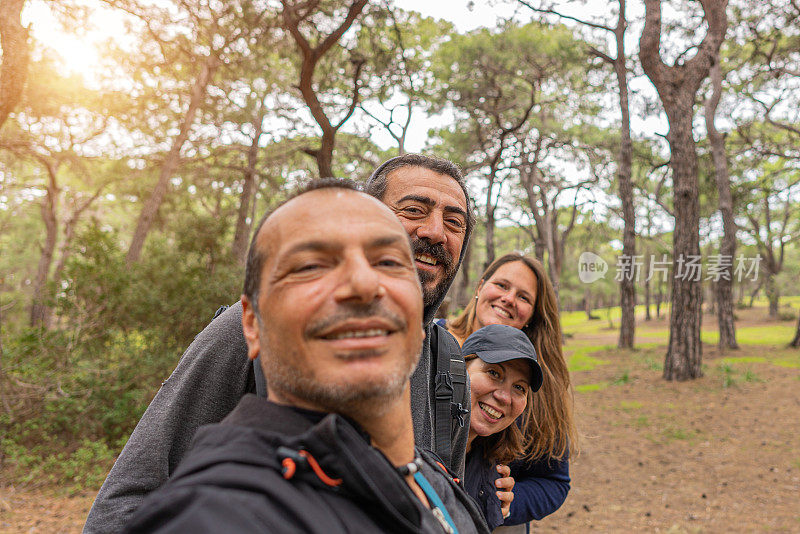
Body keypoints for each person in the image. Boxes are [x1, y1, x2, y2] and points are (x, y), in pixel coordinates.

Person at [84, 154, 485, 533]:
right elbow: (132, 490)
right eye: (414, 210)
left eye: (455, 221)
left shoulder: (449, 359)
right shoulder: (252, 332)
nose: (435, 231)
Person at [447, 253, 578, 532]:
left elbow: (554, 482)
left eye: (524, 297)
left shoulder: (540, 383)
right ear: (480, 286)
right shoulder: (429, 341)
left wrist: (507, 502)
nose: (508, 299)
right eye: (502, 285)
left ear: (533, 314)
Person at [460, 324, 543, 531]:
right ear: (459, 367)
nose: (504, 397)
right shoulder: (415, 437)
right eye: (494, 373)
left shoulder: (493, 461)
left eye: (519, 387)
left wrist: (496, 507)